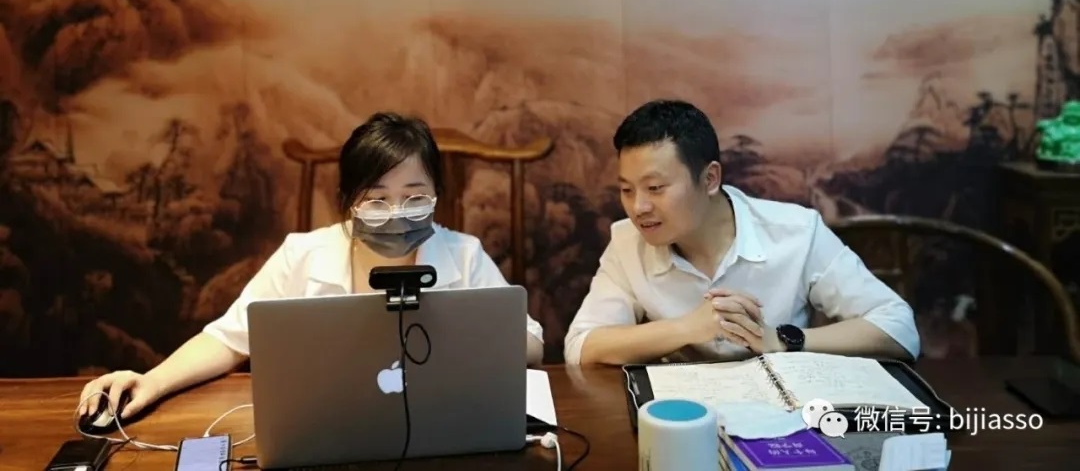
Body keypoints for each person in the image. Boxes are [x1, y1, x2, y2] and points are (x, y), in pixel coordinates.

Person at [80, 112, 545, 421]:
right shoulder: (303, 255)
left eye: (415, 197)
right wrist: (152, 380)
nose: (397, 215)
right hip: (328, 424)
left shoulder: (463, 255)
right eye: (376, 200)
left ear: (438, 196)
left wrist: (459, 329)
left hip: (441, 423)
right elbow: (228, 338)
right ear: (347, 201)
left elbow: (531, 345)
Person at [564, 99, 920, 366]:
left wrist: (782, 340)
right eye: (626, 190)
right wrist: (689, 328)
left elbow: (898, 328)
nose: (638, 207)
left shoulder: (796, 232)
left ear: (710, 179)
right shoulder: (627, 242)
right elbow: (581, 346)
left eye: (655, 188)